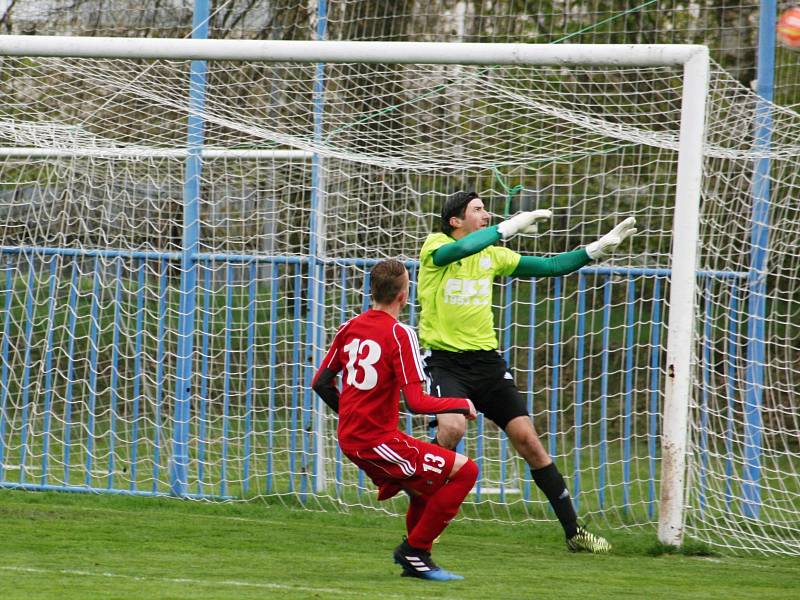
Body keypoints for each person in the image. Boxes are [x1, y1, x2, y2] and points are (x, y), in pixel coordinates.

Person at [418, 190, 637, 554]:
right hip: (445, 362)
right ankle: (424, 516)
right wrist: (511, 225)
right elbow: (456, 252)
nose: (485, 214)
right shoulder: (436, 247)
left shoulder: (493, 255)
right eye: (477, 210)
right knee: (452, 428)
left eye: (486, 210)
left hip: (487, 364)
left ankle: (575, 533)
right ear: (455, 221)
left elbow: (551, 267)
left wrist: (596, 249)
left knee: (530, 443)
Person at [312, 258, 479, 581]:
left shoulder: (350, 327)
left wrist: (350, 414)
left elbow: (321, 383)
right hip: (375, 440)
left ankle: (418, 557)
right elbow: (416, 402)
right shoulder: (400, 334)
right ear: (404, 295)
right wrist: (461, 403)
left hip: (357, 437)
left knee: (426, 489)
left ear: (371, 291)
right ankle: (415, 552)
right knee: (466, 472)